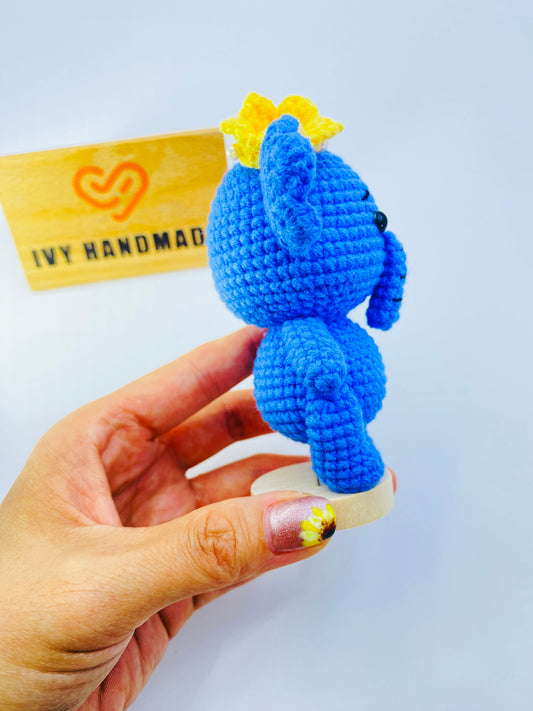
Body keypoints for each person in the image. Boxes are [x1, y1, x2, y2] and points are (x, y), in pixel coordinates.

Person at [0, 326, 396, 711]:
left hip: (331, 405)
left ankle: (346, 463)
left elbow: (323, 369)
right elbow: (322, 371)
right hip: (328, 411)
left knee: (336, 430)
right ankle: (347, 465)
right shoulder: (299, 337)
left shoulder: (300, 336)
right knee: (336, 433)